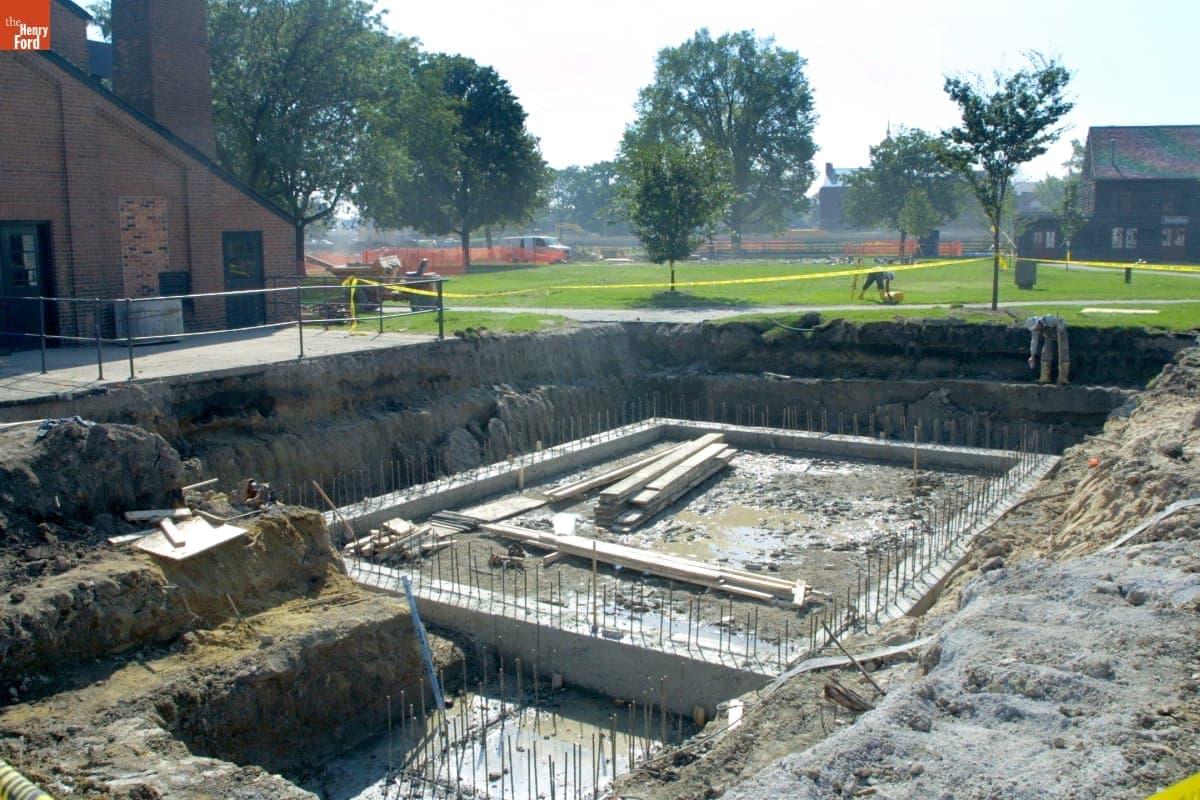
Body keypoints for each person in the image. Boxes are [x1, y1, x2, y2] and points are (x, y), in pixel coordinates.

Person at [1026, 314, 1070, 384]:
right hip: (1049, 336)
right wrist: (1032, 355)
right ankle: (1044, 378)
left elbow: (1061, 320)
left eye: (1036, 328)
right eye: (1034, 329)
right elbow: (1034, 341)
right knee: (1045, 353)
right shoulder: (1035, 330)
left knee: (1063, 354)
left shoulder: (1049, 319)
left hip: (1061, 334)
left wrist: (1060, 328)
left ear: (1038, 323)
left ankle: (1063, 378)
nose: (1036, 330)